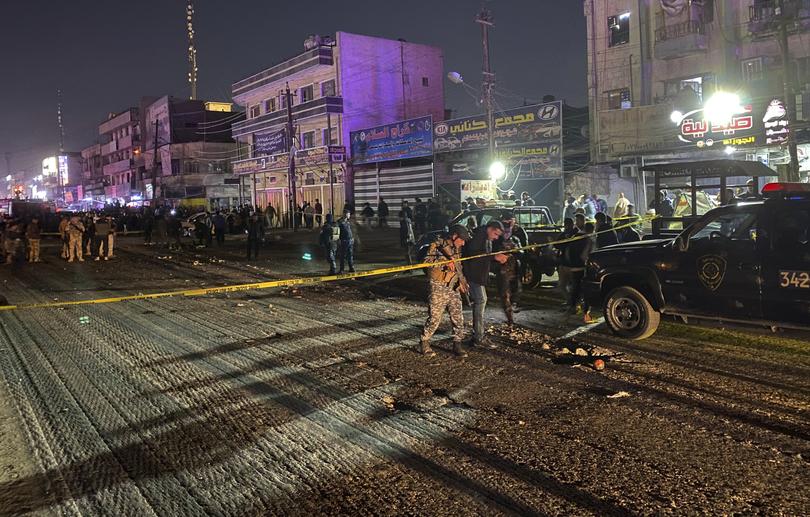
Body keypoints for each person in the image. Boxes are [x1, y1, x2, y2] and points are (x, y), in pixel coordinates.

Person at [419, 224, 470, 357]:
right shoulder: (436, 244)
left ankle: (457, 343)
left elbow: (459, 266)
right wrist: (444, 262)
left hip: (453, 285)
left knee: (458, 316)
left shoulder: (457, 248)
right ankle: (424, 342)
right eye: (462, 239)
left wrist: (462, 281)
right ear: (454, 236)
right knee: (435, 317)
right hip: (438, 285)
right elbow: (426, 261)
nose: (463, 243)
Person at [463, 220, 508, 348]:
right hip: (473, 276)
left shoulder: (486, 237)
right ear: (489, 228)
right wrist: (494, 257)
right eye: (495, 234)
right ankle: (478, 337)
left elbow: (484, 257)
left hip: (478, 276)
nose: (496, 237)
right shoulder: (479, 236)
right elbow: (474, 256)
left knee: (481, 301)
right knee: (481, 301)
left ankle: (477, 335)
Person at [494, 212, 523, 325]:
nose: (506, 232)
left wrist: (515, 250)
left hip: (515, 270)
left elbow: (522, 252)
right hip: (502, 272)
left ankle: (513, 306)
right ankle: (510, 318)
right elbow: (490, 254)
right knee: (505, 294)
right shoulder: (496, 239)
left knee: (517, 291)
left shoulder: (515, 239)